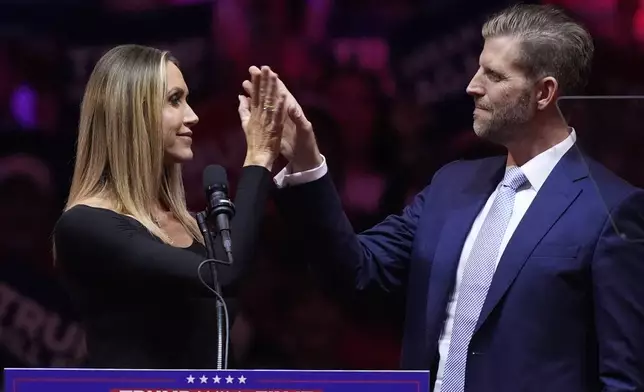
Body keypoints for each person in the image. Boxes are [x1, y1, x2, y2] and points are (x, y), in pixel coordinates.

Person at [244, 4, 644, 392]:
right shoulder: (452, 185)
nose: (472, 85)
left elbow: (623, 378)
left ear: (544, 93)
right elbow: (355, 271)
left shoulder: (612, 210)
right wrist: (306, 161)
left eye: (494, 75)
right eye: (477, 68)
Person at [53, 44, 286, 369]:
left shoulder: (195, 225)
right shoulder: (84, 225)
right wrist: (259, 158)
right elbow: (225, 276)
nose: (193, 116)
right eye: (175, 100)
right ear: (132, 112)